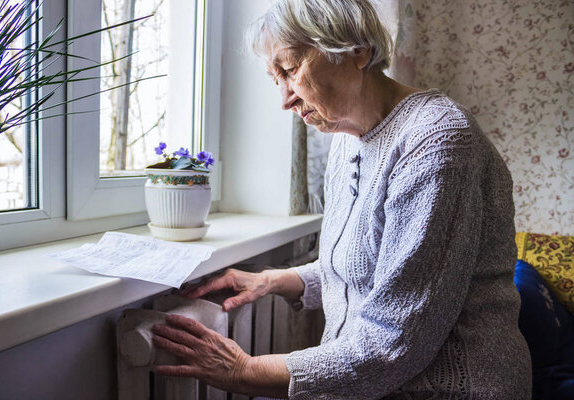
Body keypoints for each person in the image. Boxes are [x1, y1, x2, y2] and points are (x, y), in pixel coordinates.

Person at [150, 0, 533, 398]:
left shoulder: (437, 143)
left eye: (290, 69)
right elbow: (367, 268)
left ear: (356, 50)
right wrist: (274, 280)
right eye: (274, 78)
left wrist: (243, 371)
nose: (284, 99)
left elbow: (393, 342)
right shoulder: (345, 140)